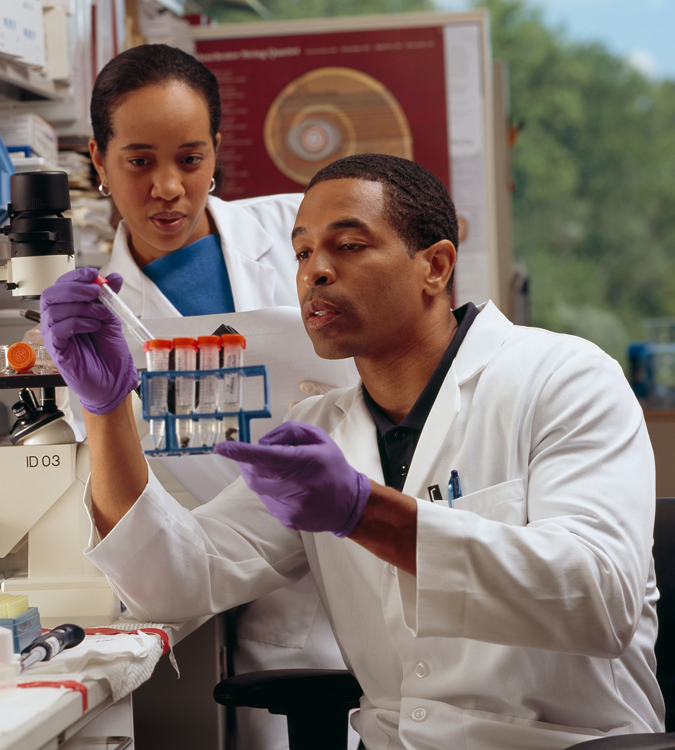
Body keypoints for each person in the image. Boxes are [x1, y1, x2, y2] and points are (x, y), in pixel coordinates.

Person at [41, 153, 663, 750]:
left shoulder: (564, 378)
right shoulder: (323, 428)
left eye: (349, 245)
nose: (315, 271)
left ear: (436, 267)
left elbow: (597, 598)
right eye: (303, 252)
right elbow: (174, 581)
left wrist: (365, 513)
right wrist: (106, 409)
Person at [81, 43, 352, 750]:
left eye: (190, 158)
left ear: (216, 152)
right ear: (98, 159)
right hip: (241, 604)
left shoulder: (302, 234)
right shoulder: (94, 318)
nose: (167, 186)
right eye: (139, 161)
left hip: (364, 558)